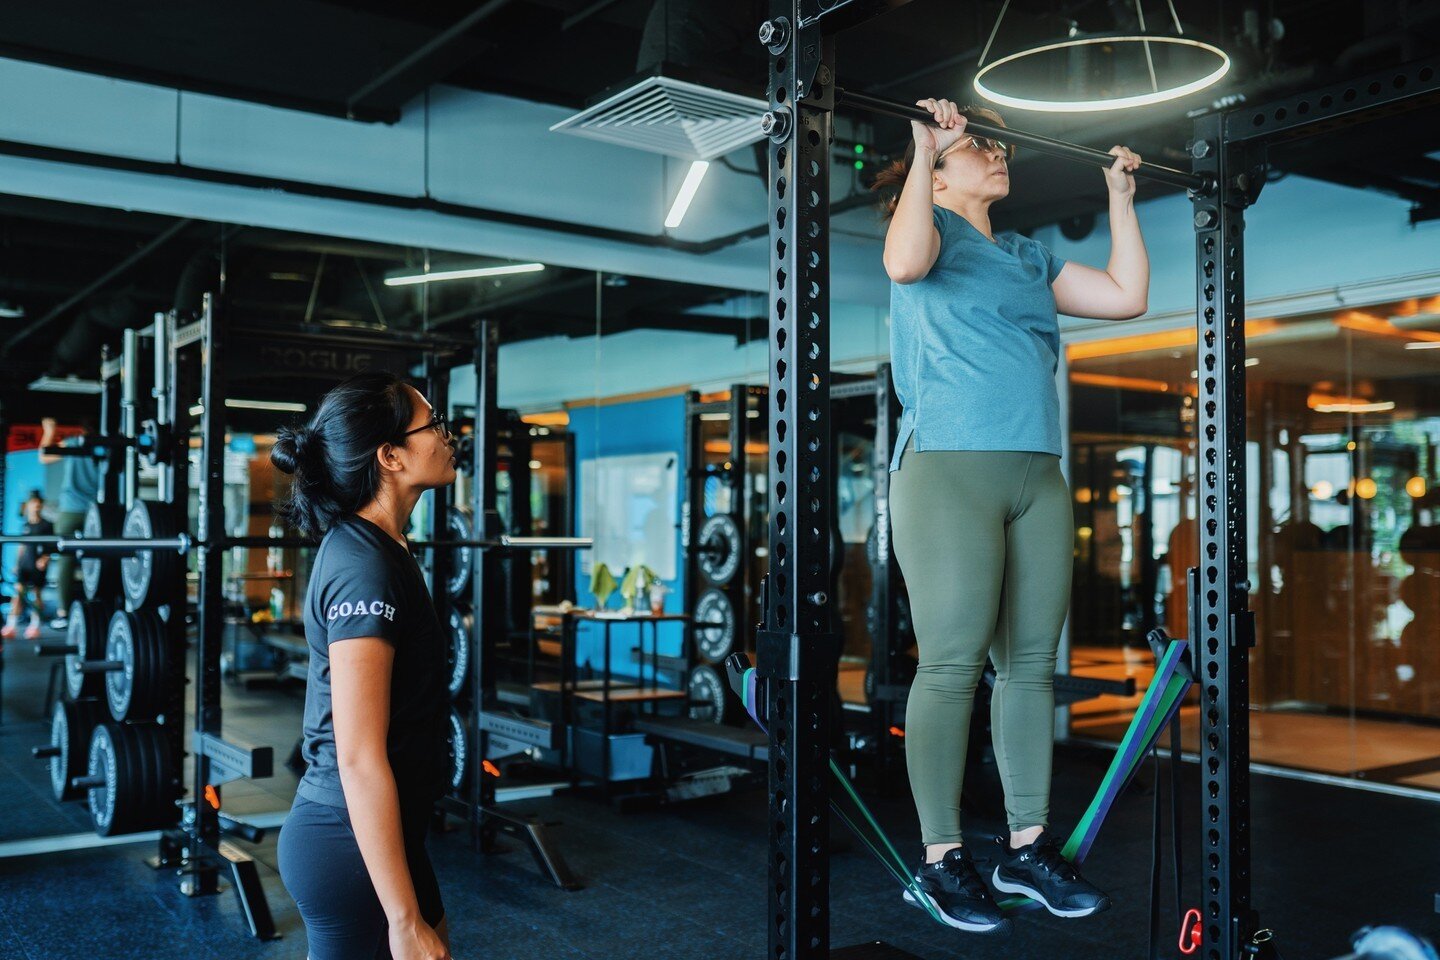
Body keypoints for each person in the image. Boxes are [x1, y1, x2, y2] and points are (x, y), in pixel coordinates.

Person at [872, 98, 1148, 932]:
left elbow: (1126, 296)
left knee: (1030, 664)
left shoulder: (1027, 254)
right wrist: (925, 150)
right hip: (948, 470)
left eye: (997, 149)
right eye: (980, 150)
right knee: (952, 663)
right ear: (942, 169)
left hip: (1039, 474)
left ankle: (1027, 849)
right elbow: (905, 264)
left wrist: (1121, 200)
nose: (999, 158)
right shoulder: (930, 231)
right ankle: (941, 858)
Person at [271, 372, 458, 960]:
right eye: (435, 426)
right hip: (345, 839)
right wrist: (402, 919)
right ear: (391, 456)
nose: (450, 437)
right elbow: (356, 755)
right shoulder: (362, 566)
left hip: (386, 829)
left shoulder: (385, 547)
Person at [38, 417, 100, 630]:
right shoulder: (108, 446)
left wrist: (49, 430)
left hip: (71, 510)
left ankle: (63, 612)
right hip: (96, 512)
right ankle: (99, 606)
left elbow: (44, 455)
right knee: (99, 558)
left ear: (83, 429)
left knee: (66, 559)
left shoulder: (75, 443)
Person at [4, 492, 54, 642]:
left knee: (36, 594)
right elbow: (21, 546)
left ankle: (35, 626)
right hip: (24, 565)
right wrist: (16, 564)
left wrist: (45, 559)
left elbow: (52, 547)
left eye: (38, 503)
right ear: (29, 505)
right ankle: (10, 626)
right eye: (33, 503)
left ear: (41, 505)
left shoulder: (47, 525)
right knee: (17, 594)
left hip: (37, 566)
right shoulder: (25, 525)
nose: (36, 506)